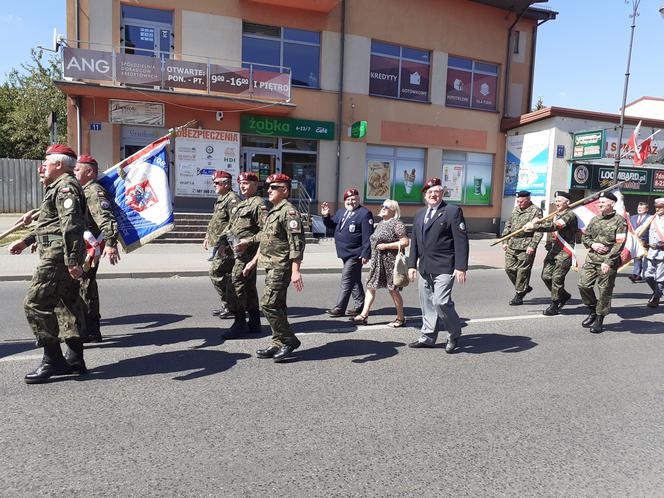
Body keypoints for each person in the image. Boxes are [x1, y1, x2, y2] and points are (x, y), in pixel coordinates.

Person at [8, 144, 88, 383]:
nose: (42, 166)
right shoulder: (58, 187)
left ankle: (53, 360)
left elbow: (71, 225)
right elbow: (50, 223)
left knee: (35, 303)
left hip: (58, 255)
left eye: (46, 161)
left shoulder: (65, 187)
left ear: (59, 164)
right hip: (58, 252)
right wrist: (26, 241)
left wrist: (73, 260)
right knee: (68, 304)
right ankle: (75, 359)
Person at [245, 174, 305, 362]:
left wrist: (295, 271)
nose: (268, 190)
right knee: (277, 305)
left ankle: (289, 340)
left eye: (274, 187)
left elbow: (297, 244)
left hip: (281, 266)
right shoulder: (274, 211)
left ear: (285, 190)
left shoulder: (289, 212)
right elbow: (265, 240)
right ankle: (278, 341)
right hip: (270, 265)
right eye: (268, 187)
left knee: (268, 304)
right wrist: (253, 261)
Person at [407, 178, 469, 353]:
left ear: (442, 193)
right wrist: (412, 264)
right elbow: (416, 242)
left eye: (436, 191)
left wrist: (461, 267)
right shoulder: (420, 214)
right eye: (429, 192)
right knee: (426, 303)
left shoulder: (452, 211)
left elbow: (461, 240)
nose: (433, 195)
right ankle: (427, 337)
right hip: (425, 266)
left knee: (441, 301)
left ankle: (454, 333)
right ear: (425, 196)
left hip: (445, 265)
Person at [72, 154, 120, 342]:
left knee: (85, 287)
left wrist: (110, 244)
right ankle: (90, 329)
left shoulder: (93, 191)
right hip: (82, 247)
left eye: (77, 169)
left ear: (89, 171)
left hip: (89, 248)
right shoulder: (83, 190)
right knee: (86, 287)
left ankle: (88, 329)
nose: (74, 172)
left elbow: (106, 218)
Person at [350, 199, 409, 327]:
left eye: (386, 207)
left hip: (390, 263)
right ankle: (363, 315)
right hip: (377, 262)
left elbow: (405, 242)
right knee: (371, 286)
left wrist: (387, 246)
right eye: (382, 206)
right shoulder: (381, 223)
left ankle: (401, 318)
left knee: (393, 290)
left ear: (393, 210)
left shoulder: (397, 224)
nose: (383, 208)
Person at [223, 172, 266, 336]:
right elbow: (233, 227)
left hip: (247, 254)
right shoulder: (242, 204)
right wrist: (222, 243)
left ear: (255, 185)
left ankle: (239, 323)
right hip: (236, 252)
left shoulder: (258, 204)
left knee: (235, 286)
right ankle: (255, 323)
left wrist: (247, 242)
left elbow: (266, 232)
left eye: (247, 183)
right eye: (241, 183)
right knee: (248, 287)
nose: (243, 186)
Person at [578, 191, 627, 333]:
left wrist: (608, 261)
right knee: (583, 285)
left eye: (603, 202)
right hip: (592, 259)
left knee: (604, 290)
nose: (599, 204)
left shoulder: (620, 221)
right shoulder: (595, 219)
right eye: (599, 202)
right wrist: (593, 244)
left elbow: (620, 243)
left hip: (608, 262)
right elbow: (585, 237)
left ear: (612, 204)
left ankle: (599, 319)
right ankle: (592, 310)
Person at [523, 191, 578, 316]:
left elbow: (556, 226)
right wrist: (538, 221)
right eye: (556, 201)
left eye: (560, 200)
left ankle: (555, 304)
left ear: (567, 202)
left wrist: (535, 226)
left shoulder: (570, 215)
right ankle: (563, 295)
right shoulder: (556, 214)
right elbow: (550, 223)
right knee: (546, 276)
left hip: (565, 251)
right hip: (554, 250)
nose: (557, 203)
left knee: (557, 278)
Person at [321, 188, 374, 317]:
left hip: (356, 253)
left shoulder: (364, 213)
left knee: (346, 278)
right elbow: (331, 225)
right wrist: (326, 216)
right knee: (354, 279)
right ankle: (360, 305)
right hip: (344, 252)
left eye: (354, 199)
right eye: (348, 199)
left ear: (358, 199)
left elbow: (368, 236)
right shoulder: (342, 211)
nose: (351, 202)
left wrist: (366, 254)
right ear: (345, 201)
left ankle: (340, 308)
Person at [204, 171, 241, 319]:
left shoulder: (232, 199)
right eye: (214, 183)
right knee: (223, 275)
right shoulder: (221, 198)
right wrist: (207, 236)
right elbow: (216, 221)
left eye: (217, 183)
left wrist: (224, 242)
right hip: (219, 243)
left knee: (216, 273)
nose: (214, 185)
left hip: (226, 245)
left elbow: (234, 224)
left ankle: (232, 306)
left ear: (226, 184)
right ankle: (227, 305)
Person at [501, 190, 543, 305]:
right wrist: (505, 241)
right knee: (509, 268)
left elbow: (539, 230)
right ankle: (524, 286)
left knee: (522, 272)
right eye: (518, 201)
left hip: (526, 246)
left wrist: (532, 245)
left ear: (528, 200)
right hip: (513, 244)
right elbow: (508, 225)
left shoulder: (536, 211)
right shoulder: (516, 209)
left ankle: (519, 295)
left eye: (521, 202)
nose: (519, 204)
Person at [643, 197, 664, 308]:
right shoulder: (652, 219)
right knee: (647, 275)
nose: (657, 209)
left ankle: (655, 298)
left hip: (662, 253)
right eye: (656, 207)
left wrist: (660, 245)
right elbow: (645, 233)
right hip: (651, 252)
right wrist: (643, 242)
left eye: (660, 207)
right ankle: (658, 292)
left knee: (660, 278)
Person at [628, 202, 652, 282]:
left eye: (641, 208)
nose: (639, 209)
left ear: (647, 209)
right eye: (638, 208)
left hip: (646, 241)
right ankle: (636, 274)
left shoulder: (650, 218)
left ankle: (643, 274)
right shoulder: (633, 217)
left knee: (646, 259)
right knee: (637, 257)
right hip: (635, 241)